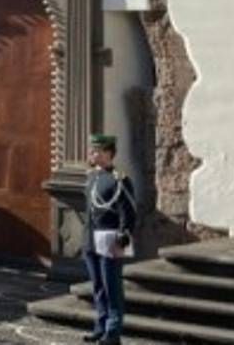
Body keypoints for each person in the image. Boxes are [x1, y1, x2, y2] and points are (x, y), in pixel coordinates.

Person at [83, 133, 137, 345]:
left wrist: (126, 233)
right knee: (97, 286)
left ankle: (113, 333)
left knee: (111, 286)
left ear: (108, 153)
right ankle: (101, 326)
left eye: (96, 151)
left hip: (110, 238)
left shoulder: (120, 179)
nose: (92, 154)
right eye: (92, 150)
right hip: (90, 238)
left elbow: (129, 210)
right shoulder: (92, 177)